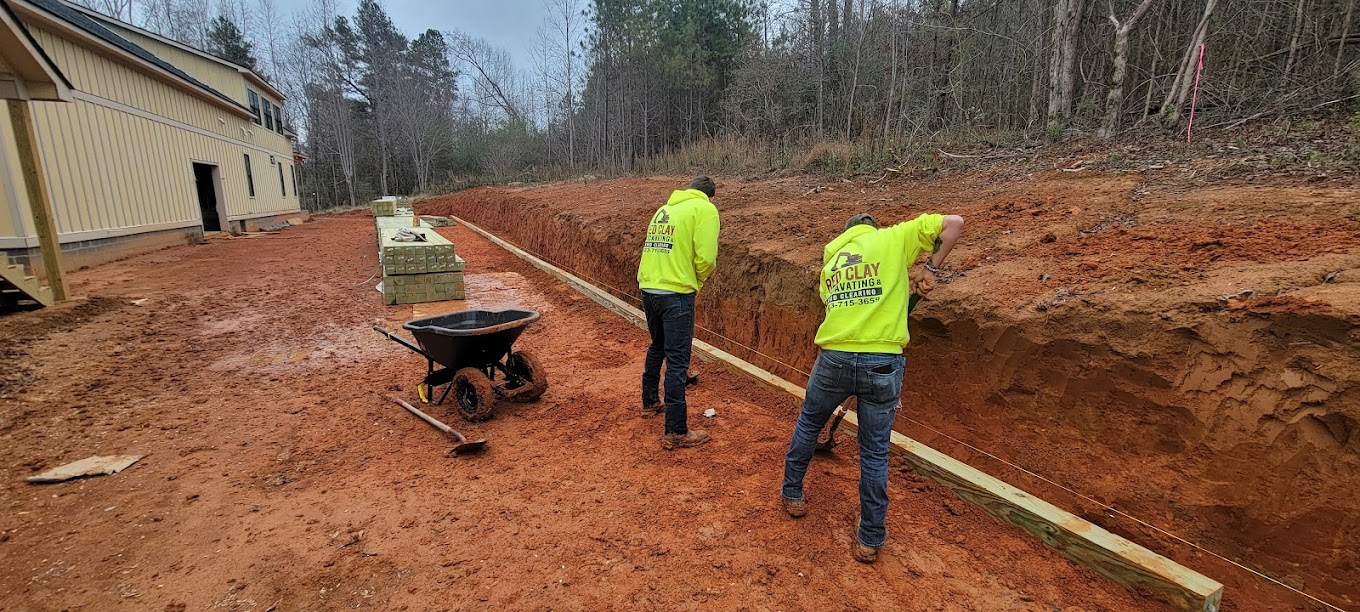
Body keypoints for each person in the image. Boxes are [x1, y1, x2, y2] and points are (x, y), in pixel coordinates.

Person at [780, 210, 965, 563]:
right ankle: (870, 538)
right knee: (875, 451)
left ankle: (792, 493)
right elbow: (953, 224)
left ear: (847, 235)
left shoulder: (831, 263)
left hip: (834, 358)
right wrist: (930, 270)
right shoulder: (892, 239)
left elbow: (840, 306)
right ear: (872, 230)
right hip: (882, 361)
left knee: (808, 423)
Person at [638, 176, 720, 450]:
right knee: (677, 362)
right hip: (676, 294)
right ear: (709, 196)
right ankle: (675, 430)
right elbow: (706, 258)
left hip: (649, 289)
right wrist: (696, 281)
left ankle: (649, 402)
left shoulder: (665, 209)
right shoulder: (704, 209)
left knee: (658, 345)